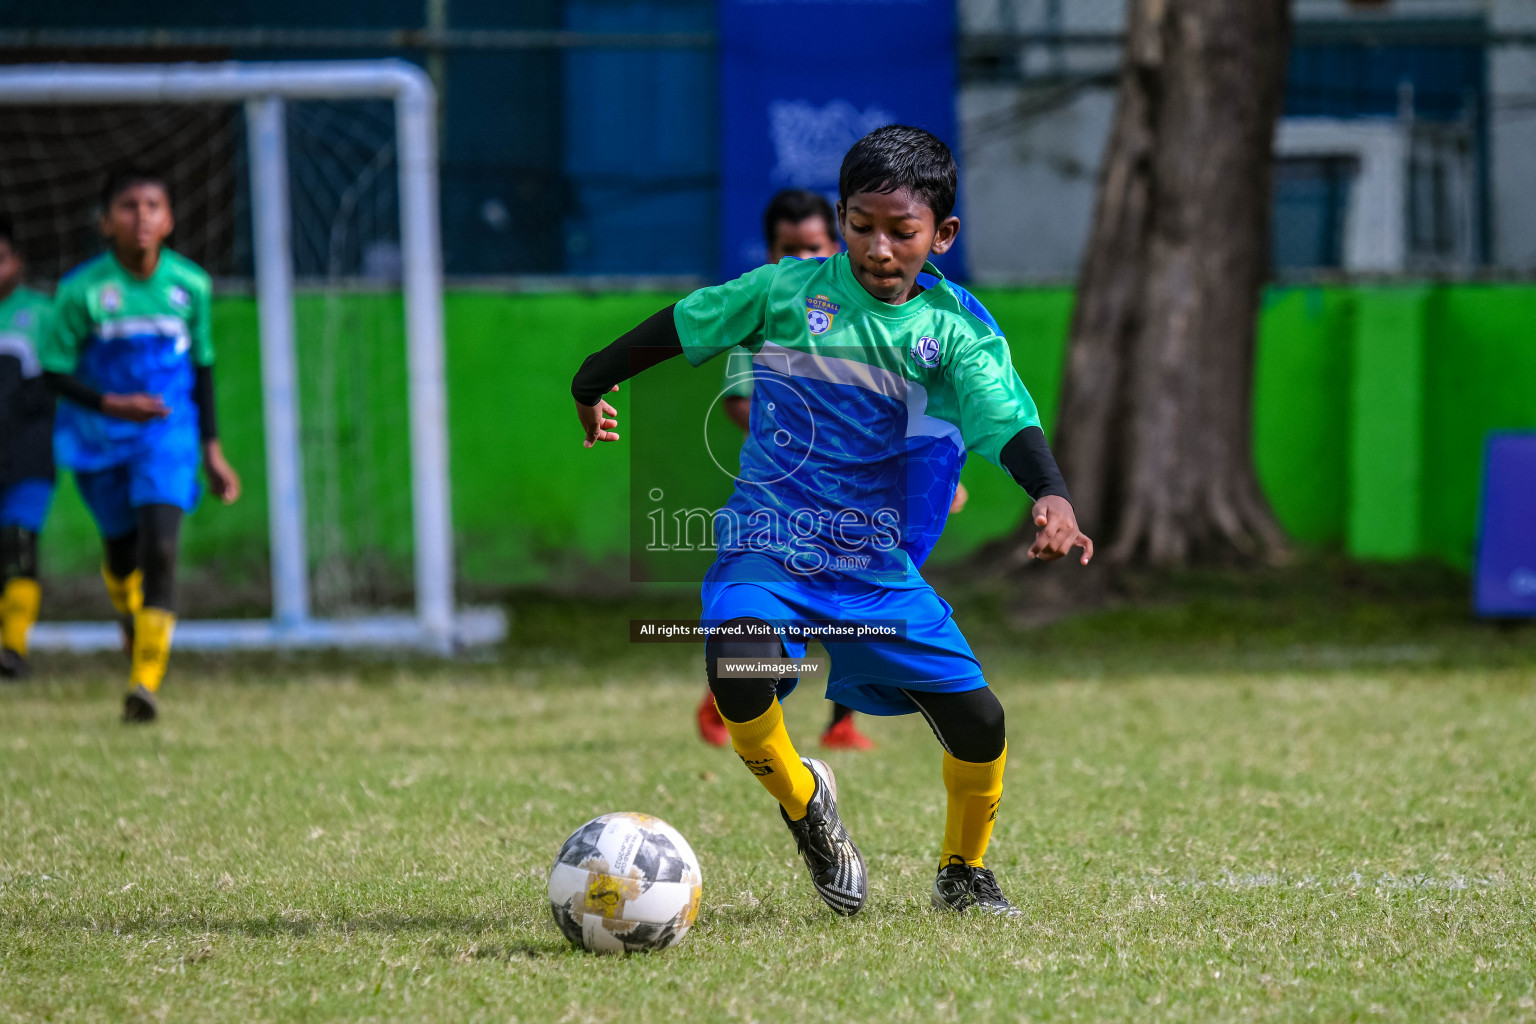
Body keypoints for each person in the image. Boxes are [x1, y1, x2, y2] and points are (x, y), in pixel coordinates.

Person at [572, 126, 1092, 917]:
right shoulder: (785, 294)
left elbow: (1002, 417)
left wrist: (1048, 492)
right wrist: (592, 379)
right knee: (736, 671)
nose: (878, 248)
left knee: (980, 721)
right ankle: (806, 802)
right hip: (768, 546)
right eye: (861, 226)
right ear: (841, 217)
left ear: (942, 236)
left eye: (902, 231)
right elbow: (686, 322)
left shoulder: (951, 332)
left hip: (873, 568)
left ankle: (963, 872)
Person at [41, 168, 241, 722]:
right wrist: (112, 404)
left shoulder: (190, 286)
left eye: (154, 205)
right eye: (128, 206)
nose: (142, 216)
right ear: (106, 221)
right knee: (123, 553)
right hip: (99, 439)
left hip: (166, 438)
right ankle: (129, 618)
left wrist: (213, 449)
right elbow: (54, 372)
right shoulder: (82, 291)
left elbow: (202, 369)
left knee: (161, 548)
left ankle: (145, 684)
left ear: (170, 217)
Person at [697, 189, 881, 751]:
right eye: (787, 249)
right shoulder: (764, 315)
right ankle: (728, 696)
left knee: (856, 603)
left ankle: (843, 722)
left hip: (862, 499)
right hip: (783, 500)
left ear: (835, 245)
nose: (800, 260)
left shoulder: (866, 320)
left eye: (812, 247)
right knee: (763, 605)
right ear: (771, 250)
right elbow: (736, 402)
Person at [0, 218, 56, 678]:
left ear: (17, 262)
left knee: (19, 547)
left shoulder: (42, 314)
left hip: (28, 458)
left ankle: (13, 649)